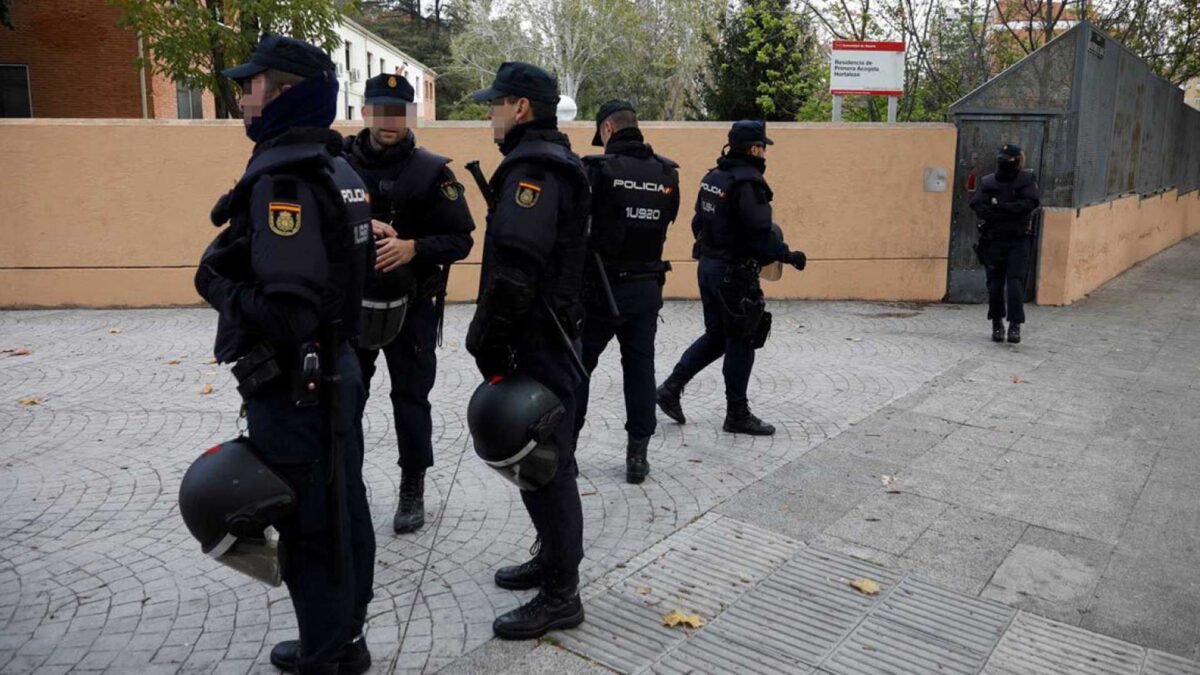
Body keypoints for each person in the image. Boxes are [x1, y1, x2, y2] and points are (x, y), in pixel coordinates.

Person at [193, 35, 376, 674]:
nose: (242, 96)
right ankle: (343, 638)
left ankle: (329, 655)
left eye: (251, 84)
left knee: (312, 527)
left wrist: (217, 285)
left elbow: (292, 312)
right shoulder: (337, 167)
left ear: (285, 93)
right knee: (342, 507)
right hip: (334, 373)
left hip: (301, 386)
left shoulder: (286, 181)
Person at [464, 62, 591, 640]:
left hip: (541, 339)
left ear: (520, 108)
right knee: (538, 463)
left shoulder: (534, 169)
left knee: (550, 466)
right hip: (547, 334)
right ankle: (550, 560)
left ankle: (561, 595)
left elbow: (516, 269)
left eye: (496, 104)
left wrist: (485, 338)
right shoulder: (548, 161)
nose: (488, 113)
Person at [343, 73, 475, 534]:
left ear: (409, 117)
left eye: (398, 112)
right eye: (380, 111)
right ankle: (343, 485)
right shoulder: (335, 165)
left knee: (411, 400)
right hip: (348, 307)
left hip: (412, 307)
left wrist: (413, 246)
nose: (388, 121)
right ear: (365, 112)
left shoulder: (432, 172)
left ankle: (412, 488)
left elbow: (462, 239)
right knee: (344, 400)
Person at [655, 120, 806, 437]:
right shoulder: (748, 184)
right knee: (742, 339)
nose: (764, 152)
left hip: (709, 267)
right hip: (733, 275)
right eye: (762, 146)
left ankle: (671, 388)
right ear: (753, 148)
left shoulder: (714, 178)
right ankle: (737, 413)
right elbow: (759, 234)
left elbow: (698, 222)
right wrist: (788, 255)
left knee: (717, 336)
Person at [574, 100, 680, 484]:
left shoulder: (596, 170)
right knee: (640, 370)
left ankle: (566, 450)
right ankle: (638, 455)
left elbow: (577, 229)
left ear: (606, 130)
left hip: (599, 291)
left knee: (579, 368)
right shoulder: (667, 173)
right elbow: (666, 220)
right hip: (646, 288)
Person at [970, 143, 1040, 344]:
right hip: (998, 240)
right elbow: (978, 205)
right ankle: (1001, 324)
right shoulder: (989, 181)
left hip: (1013, 239)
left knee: (1010, 283)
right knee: (999, 284)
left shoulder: (1024, 180)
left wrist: (999, 208)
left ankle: (1010, 325)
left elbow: (1028, 204)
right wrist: (1009, 209)